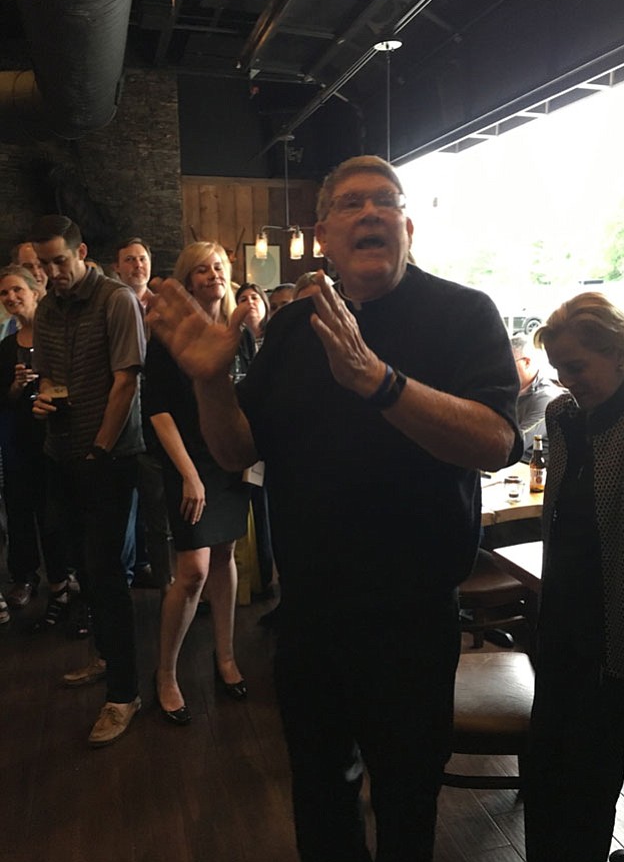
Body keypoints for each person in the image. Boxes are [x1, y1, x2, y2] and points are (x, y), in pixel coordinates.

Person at [148, 155, 522, 862]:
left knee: (408, 795)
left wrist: (380, 383)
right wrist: (210, 383)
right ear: (324, 233)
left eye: (386, 201)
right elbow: (234, 452)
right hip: (310, 613)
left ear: (407, 226)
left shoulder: (464, 314)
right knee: (321, 792)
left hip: (411, 616)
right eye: (352, 203)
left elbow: (497, 439)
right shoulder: (292, 330)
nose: (371, 212)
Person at [523, 292, 624, 862]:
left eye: (577, 367)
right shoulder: (562, 417)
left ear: (619, 354)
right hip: (560, 621)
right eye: (558, 368)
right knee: (542, 765)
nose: (565, 380)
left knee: (588, 777)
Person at [31, 215, 145, 747]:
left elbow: (125, 382)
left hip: (108, 456)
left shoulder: (116, 299)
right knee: (79, 563)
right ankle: (105, 658)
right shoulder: (49, 307)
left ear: (81, 251)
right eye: (44, 263)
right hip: (62, 451)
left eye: (59, 260)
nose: (52, 272)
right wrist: (41, 399)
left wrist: (98, 449)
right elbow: (54, 380)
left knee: (105, 572)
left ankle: (125, 693)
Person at [146, 242, 252, 724]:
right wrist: (189, 473)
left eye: (220, 267)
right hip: (186, 459)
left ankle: (225, 657)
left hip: (228, 459)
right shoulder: (171, 335)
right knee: (191, 571)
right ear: (188, 280)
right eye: (202, 269)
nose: (212, 275)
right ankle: (165, 673)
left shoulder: (239, 332)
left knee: (227, 556)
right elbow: (158, 410)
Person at [0, 267, 71, 616]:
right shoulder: (5, 347)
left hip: (55, 437)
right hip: (19, 441)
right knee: (20, 510)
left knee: (55, 512)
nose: (11, 298)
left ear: (34, 291)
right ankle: (25, 577)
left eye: (16, 290)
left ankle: (61, 580)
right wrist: (15, 386)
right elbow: (4, 400)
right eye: (4, 294)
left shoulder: (55, 337)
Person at [113, 237, 172, 591]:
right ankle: (128, 572)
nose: (138, 265)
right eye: (130, 260)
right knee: (124, 505)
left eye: (142, 259)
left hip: (156, 415)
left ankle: (167, 581)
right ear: (118, 267)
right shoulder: (112, 305)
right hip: (121, 415)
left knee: (158, 505)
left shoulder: (164, 307)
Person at [510, 332, 564, 462]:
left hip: (535, 474)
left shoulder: (546, 399)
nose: (502, 370)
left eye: (508, 364)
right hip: (510, 469)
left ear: (526, 362)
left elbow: (514, 446)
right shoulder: (509, 391)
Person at [235, 281, 270, 351]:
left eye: (254, 298)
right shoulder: (234, 341)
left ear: (265, 304)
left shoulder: (277, 333)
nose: (250, 302)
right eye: (243, 300)